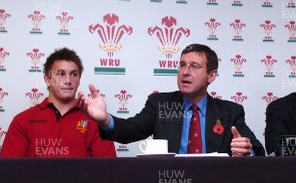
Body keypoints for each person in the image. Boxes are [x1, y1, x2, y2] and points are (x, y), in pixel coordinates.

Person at [81, 44, 265, 156]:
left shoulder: (230, 112)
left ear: (211, 75)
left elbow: (256, 149)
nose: (185, 72)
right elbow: (130, 131)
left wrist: (247, 151)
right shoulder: (160, 104)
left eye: (194, 66)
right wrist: (105, 119)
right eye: (182, 65)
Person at [0, 48, 116, 158]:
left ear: (79, 79)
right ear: (47, 79)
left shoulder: (95, 121)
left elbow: (108, 171)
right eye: (61, 74)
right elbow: (8, 172)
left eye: (74, 74)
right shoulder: (22, 121)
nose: (68, 81)